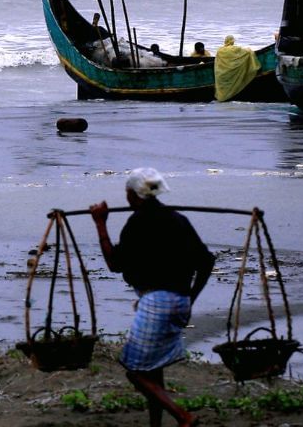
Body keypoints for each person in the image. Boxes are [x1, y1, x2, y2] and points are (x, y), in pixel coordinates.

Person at [90, 168, 214, 427]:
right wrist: (191, 298)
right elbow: (206, 262)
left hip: (158, 303)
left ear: (134, 195)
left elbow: (114, 263)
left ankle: (183, 417)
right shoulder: (178, 219)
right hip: (179, 301)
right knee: (153, 369)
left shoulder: (138, 222)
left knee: (135, 371)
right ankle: (155, 423)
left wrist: (100, 224)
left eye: (127, 193)